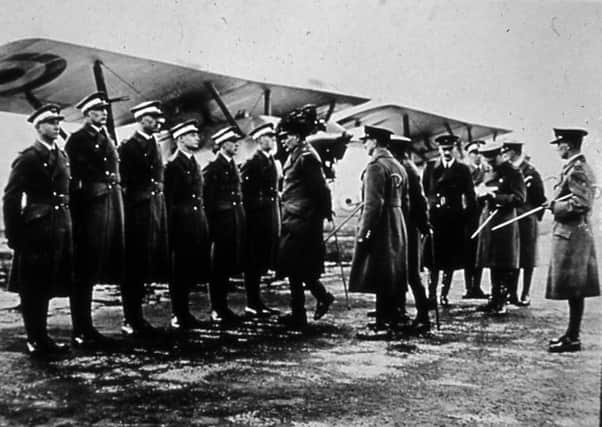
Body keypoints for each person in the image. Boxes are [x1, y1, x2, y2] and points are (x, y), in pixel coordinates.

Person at [3, 105, 72, 355]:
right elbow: (11, 198)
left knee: (49, 284)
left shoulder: (62, 156)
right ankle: (36, 339)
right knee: (33, 287)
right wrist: (14, 235)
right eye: (51, 122)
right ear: (39, 126)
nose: (56, 126)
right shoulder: (28, 157)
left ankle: (43, 337)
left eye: (58, 121)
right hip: (36, 230)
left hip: (60, 228)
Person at [65, 92, 125, 348]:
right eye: (99, 111)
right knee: (84, 270)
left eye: (105, 110)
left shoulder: (106, 138)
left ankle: (88, 327)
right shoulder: (78, 139)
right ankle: (81, 328)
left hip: (109, 204)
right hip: (90, 208)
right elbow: (73, 178)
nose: (104, 114)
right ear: (88, 113)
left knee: (98, 265)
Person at [276, 107, 335, 329]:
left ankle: (306, 308)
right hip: (294, 218)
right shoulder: (298, 154)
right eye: (282, 138)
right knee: (296, 268)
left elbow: (321, 189)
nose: (284, 142)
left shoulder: (307, 157)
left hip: (303, 221)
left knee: (298, 267)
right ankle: (307, 307)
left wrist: (323, 214)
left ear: (298, 136)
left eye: (287, 137)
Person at [349, 127, 409, 331]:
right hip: (397, 221)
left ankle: (382, 324)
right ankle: (393, 318)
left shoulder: (375, 166)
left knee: (381, 272)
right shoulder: (397, 166)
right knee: (392, 272)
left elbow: (373, 205)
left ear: (374, 142)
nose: (365, 144)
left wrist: (364, 233)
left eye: (366, 140)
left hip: (382, 224)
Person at [118, 101, 169, 335]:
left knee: (147, 263)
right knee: (133, 266)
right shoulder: (129, 146)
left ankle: (137, 317)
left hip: (154, 211)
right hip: (137, 213)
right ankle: (131, 318)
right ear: (140, 119)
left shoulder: (155, 144)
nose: (157, 121)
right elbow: (124, 182)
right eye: (152, 117)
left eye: (158, 117)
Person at [546, 128, 599, 352]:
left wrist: (554, 207)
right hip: (571, 235)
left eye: (559, 144)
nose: (558, 148)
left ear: (566, 145)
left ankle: (573, 338)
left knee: (575, 288)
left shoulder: (577, 169)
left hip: (573, 237)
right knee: (573, 289)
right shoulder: (574, 168)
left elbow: (581, 203)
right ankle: (571, 334)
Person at [164, 120, 210, 329]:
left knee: (190, 268)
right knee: (180, 270)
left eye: (196, 134)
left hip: (196, 223)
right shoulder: (173, 166)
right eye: (191, 134)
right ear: (180, 139)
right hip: (181, 225)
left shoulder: (195, 164)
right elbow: (170, 200)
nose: (197, 137)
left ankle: (185, 312)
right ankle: (178, 313)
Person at [422, 135, 476, 306]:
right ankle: (431, 295)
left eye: (449, 149)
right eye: (443, 149)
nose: (446, 152)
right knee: (433, 260)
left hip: (454, 221)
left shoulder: (463, 169)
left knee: (449, 260)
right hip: (436, 220)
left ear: (455, 149)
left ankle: (443, 294)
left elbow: (470, 195)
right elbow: (426, 190)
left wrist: (468, 219)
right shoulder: (431, 167)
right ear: (438, 150)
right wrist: (433, 204)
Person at [474, 140, 525, 315]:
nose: (489, 163)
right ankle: (495, 299)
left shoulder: (513, 172)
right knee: (493, 261)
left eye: (492, 159)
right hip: (489, 219)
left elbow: (519, 198)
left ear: (499, 155)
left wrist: (496, 196)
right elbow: (481, 192)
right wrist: (480, 196)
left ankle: (501, 301)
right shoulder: (486, 172)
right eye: (486, 159)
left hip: (504, 222)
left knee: (504, 262)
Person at [202, 126, 246, 323]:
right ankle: (217, 308)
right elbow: (208, 199)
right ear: (221, 145)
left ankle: (223, 306)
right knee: (217, 267)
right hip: (220, 224)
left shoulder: (232, 165)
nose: (236, 144)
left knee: (226, 265)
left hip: (232, 222)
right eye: (232, 141)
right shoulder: (213, 167)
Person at [388, 135, 431, 333]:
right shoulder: (407, 166)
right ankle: (401, 312)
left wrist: (423, 226)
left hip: (408, 225)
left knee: (411, 273)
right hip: (407, 224)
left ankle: (423, 315)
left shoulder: (405, 168)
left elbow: (420, 201)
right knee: (404, 271)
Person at [241, 122, 281, 316]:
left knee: (262, 259)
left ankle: (257, 302)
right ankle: (252, 303)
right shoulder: (253, 162)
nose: (272, 141)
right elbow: (245, 193)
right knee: (253, 262)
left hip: (269, 217)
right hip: (256, 219)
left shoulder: (271, 160)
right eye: (268, 138)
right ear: (258, 140)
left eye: (273, 137)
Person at [501, 141, 546, 306]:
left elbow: (540, 198)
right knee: (513, 258)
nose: (504, 154)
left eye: (507, 151)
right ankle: (511, 293)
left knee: (527, 258)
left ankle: (525, 293)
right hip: (512, 219)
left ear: (514, 152)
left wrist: (533, 218)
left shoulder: (531, 172)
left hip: (527, 220)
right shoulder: (508, 171)